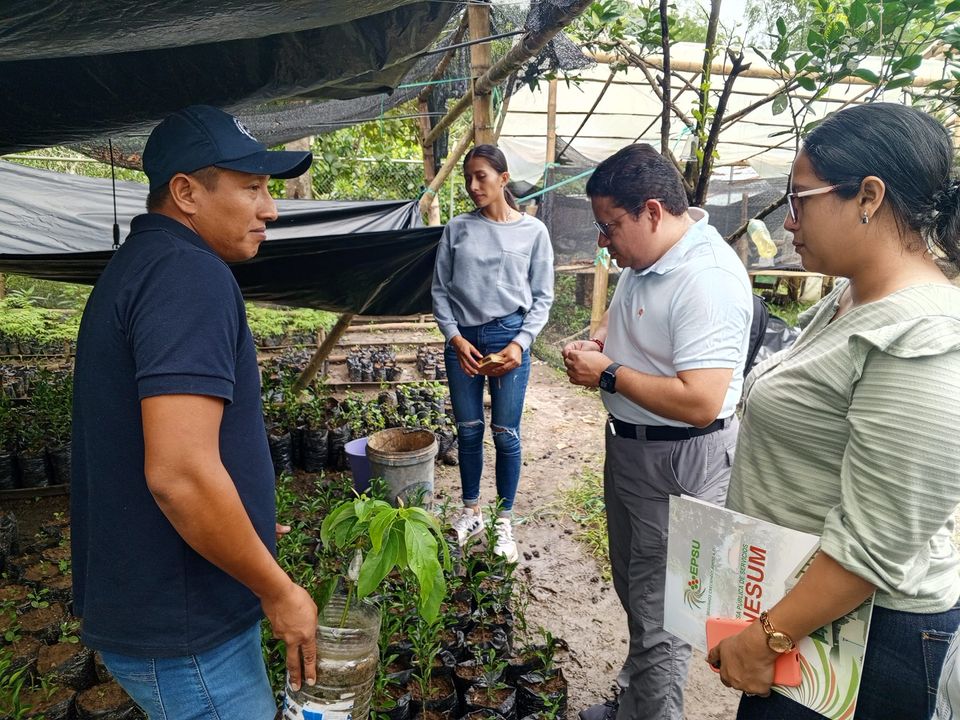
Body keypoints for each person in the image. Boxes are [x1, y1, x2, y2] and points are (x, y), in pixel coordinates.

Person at [707, 102, 960, 719]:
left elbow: (877, 541)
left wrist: (765, 638)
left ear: (868, 196)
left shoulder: (925, 337)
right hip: (808, 618)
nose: (788, 221)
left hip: (866, 641)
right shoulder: (851, 299)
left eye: (800, 199)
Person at [71, 105, 319, 719]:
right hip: (189, 630)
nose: (271, 209)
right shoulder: (187, 274)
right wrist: (279, 590)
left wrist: (241, 526)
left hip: (165, 596)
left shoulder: (141, 266)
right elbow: (180, 474)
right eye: (252, 188)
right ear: (185, 192)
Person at [563, 143, 753, 720]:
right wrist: (603, 341)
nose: (603, 241)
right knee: (637, 589)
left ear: (651, 211)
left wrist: (609, 373)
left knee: (662, 616)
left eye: (610, 226)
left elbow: (701, 400)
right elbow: (630, 322)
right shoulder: (648, 261)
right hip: (634, 449)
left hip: (679, 461)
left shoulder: (707, 278)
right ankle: (634, 702)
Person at [431, 144, 554, 562]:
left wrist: (520, 344)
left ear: (503, 178)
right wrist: (454, 338)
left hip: (508, 339)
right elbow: (440, 291)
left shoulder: (533, 232)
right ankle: (471, 513)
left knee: (506, 433)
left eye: (481, 176)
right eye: (467, 177)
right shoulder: (457, 228)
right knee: (467, 430)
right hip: (463, 342)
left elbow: (542, 297)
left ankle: (504, 520)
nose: (472, 185)